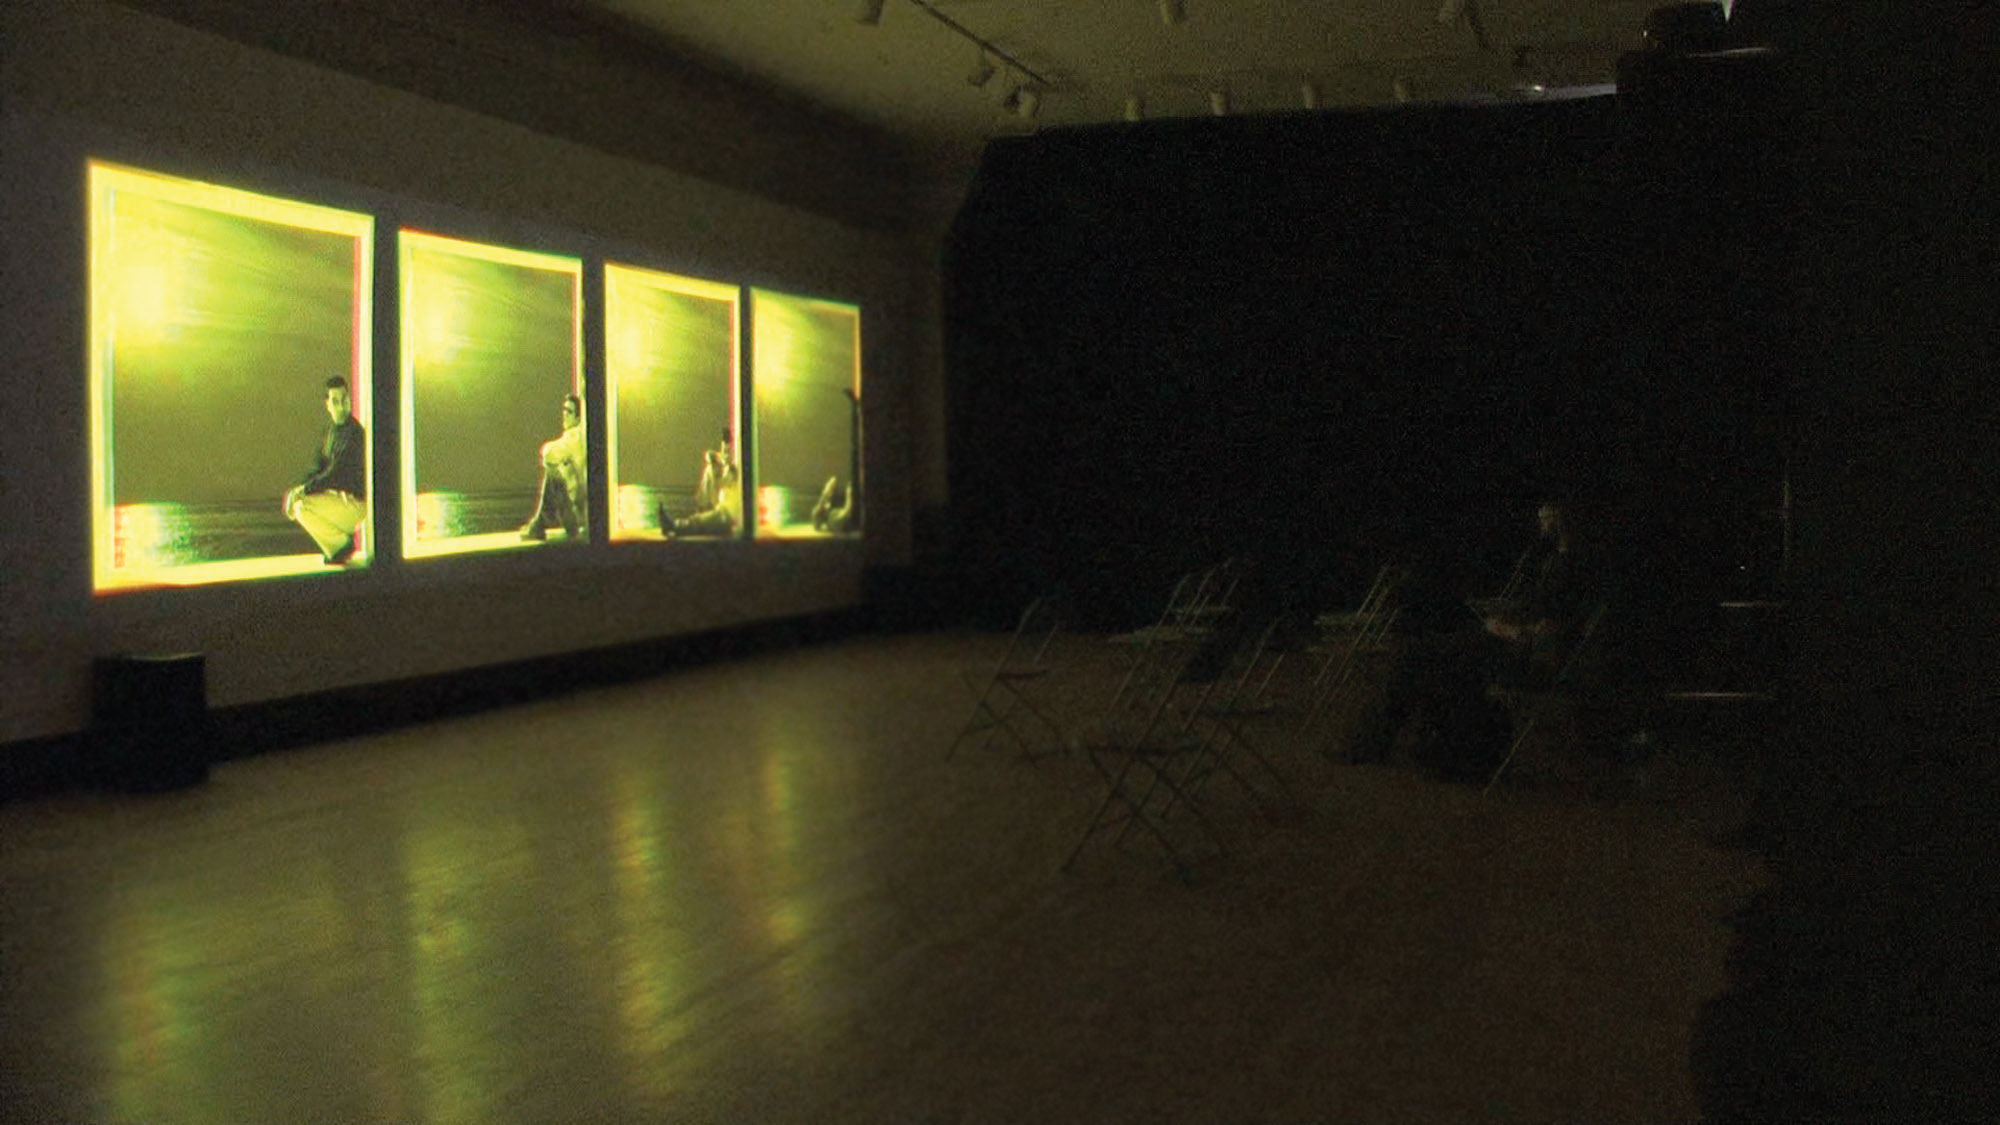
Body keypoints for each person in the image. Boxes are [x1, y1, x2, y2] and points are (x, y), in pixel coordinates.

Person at [283, 376, 367, 565]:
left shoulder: (354, 433)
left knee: (303, 505)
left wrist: (303, 491)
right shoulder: (329, 433)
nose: (341, 406)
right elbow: (317, 468)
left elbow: (335, 473)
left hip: (357, 505)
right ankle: (337, 548)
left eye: (344, 399)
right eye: (335, 401)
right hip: (340, 502)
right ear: (327, 405)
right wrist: (297, 490)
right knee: (299, 507)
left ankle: (341, 546)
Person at [520, 394, 586, 541]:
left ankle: (540, 523)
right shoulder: (579, 436)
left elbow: (550, 453)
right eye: (564, 410)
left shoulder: (575, 437)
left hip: (577, 515)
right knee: (554, 473)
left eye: (569, 411)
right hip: (580, 511)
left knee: (552, 474)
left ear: (578, 418)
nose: (564, 415)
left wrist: (545, 455)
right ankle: (540, 523)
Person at [659, 428, 739, 538]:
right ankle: (679, 524)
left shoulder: (734, 471)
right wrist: (714, 460)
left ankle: (675, 526)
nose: (725, 452)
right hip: (722, 509)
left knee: (700, 522)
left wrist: (723, 466)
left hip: (728, 516)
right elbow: (716, 460)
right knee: (710, 470)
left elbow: (724, 482)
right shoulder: (725, 466)